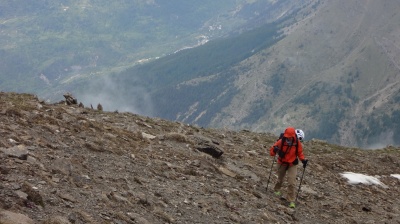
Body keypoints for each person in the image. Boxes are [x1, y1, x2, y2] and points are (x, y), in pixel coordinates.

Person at [269, 126, 308, 208]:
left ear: (293, 136)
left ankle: (291, 200)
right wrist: (274, 150)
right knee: (280, 179)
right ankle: (277, 189)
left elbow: (300, 153)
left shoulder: (297, 143)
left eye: (290, 137)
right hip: (282, 162)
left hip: (292, 164)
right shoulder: (281, 141)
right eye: (287, 137)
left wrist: (303, 160)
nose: (288, 139)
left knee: (291, 182)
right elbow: (272, 152)